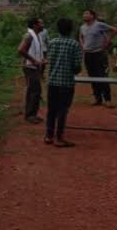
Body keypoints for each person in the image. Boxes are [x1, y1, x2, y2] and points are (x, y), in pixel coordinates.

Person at [44, 18, 83, 147]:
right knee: (62, 110)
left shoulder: (52, 42)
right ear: (71, 29)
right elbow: (77, 67)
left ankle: (49, 136)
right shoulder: (74, 44)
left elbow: (49, 60)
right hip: (66, 83)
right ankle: (59, 138)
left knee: (51, 110)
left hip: (52, 82)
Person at [79, 10, 117, 107]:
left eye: (87, 13)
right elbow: (81, 36)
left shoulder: (99, 25)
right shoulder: (82, 27)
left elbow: (115, 30)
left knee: (102, 76)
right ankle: (97, 98)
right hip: (88, 55)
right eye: (84, 13)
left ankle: (108, 99)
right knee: (92, 76)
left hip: (99, 54)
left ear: (93, 16)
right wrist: (83, 45)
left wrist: (107, 42)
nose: (84, 15)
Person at [18, 18, 46, 123]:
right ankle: (30, 115)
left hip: (33, 67)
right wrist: (33, 60)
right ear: (35, 25)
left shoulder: (36, 36)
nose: (43, 25)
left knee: (35, 91)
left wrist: (40, 60)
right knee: (34, 91)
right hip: (30, 68)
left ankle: (32, 114)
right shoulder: (29, 36)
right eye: (41, 23)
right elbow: (21, 50)